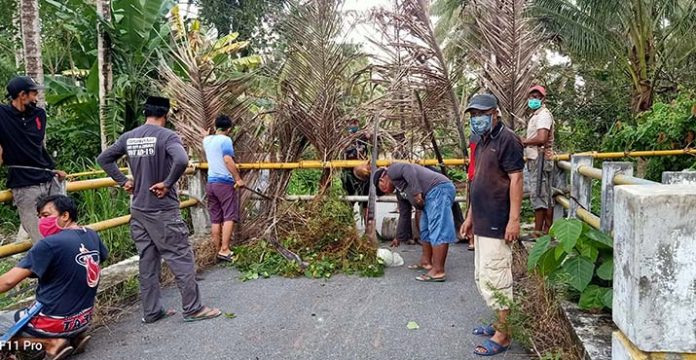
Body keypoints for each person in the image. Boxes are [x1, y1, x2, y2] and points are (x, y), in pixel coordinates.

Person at [97, 96, 221, 324]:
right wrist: (167, 183)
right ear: (166, 114)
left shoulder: (129, 137)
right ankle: (193, 309)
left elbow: (104, 158)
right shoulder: (167, 136)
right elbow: (182, 160)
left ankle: (152, 311)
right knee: (180, 257)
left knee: (148, 260)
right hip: (162, 210)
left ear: (146, 113)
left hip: (138, 210)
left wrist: (123, 180)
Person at [0, 195, 107, 360]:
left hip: (53, 324)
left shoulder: (49, 245)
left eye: (46, 215)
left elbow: (6, 282)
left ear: (65, 215)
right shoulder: (92, 235)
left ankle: (50, 344)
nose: (42, 221)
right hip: (82, 320)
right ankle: (73, 339)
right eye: (40, 217)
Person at [460, 94, 523, 356]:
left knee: (497, 276)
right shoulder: (482, 141)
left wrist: (514, 219)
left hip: (498, 220)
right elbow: (477, 183)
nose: (477, 119)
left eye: (482, 114)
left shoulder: (508, 139)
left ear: (495, 113)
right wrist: (470, 217)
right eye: (473, 115)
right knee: (484, 275)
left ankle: (504, 334)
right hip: (483, 220)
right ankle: (499, 322)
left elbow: (517, 179)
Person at [0, 76, 67, 243]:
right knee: (40, 238)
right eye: (34, 94)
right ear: (22, 95)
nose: (36, 98)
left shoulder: (39, 114)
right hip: (24, 184)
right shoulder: (2, 115)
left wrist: (52, 169)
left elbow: (33, 146)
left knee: (64, 227)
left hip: (49, 178)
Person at [375, 163, 456, 282]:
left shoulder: (392, 170)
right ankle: (426, 262)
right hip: (430, 196)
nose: (386, 192)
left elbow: (407, 168)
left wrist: (416, 192)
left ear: (382, 179)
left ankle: (438, 271)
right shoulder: (400, 191)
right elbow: (404, 215)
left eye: (382, 189)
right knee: (424, 229)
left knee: (438, 228)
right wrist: (398, 237)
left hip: (439, 189)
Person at [202, 114, 245, 262]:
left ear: (215, 127)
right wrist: (238, 178)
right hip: (224, 183)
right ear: (229, 129)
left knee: (215, 217)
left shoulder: (206, 140)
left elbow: (210, 141)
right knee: (229, 215)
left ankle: (217, 249)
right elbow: (227, 160)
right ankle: (225, 249)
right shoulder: (226, 140)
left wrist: (207, 135)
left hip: (210, 184)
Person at [521, 85, 555, 236]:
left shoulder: (543, 115)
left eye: (536, 97)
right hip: (534, 158)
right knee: (540, 194)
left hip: (539, 157)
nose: (533, 100)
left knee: (540, 194)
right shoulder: (536, 115)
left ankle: (540, 231)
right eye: (531, 97)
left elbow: (542, 138)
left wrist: (524, 142)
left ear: (542, 99)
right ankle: (543, 230)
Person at [466, 133, 480, 251]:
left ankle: (473, 240)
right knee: (476, 209)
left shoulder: (473, 135)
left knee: (474, 208)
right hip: (479, 174)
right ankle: (473, 239)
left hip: (474, 173)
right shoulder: (487, 136)